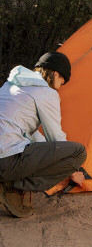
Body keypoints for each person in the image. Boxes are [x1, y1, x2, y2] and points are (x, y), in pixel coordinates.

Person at [0, 52, 87, 218]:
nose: (61, 85)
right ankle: (13, 186)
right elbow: (56, 138)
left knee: (32, 147)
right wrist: (73, 171)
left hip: (4, 152)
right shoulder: (46, 92)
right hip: (5, 160)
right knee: (78, 152)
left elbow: (30, 135)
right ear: (55, 73)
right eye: (63, 80)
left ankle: (8, 182)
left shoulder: (12, 85)